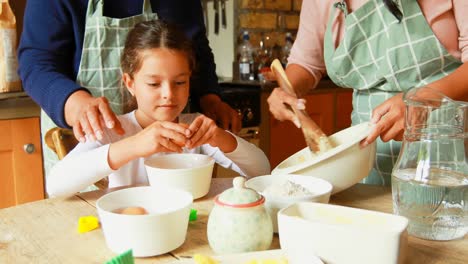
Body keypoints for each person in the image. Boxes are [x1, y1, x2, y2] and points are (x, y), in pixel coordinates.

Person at [46, 20, 270, 198]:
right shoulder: (113, 130)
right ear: (130, 83)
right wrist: (133, 145)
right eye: (154, 84)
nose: (168, 94)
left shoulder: (194, 127)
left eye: (180, 82)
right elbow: (55, 186)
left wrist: (221, 138)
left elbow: (262, 170)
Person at [17, 0, 241, 175]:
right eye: (153, 83)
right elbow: (36, 62)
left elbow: (195, 47)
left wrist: (210, 97)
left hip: (169, 156)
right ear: (128, 82)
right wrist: (75, 103)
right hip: (85, 148)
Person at [268, 0, 468, 185]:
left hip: (450, 148)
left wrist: (421, 100)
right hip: (368, 159)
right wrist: (288, 89)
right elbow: (306, 62)